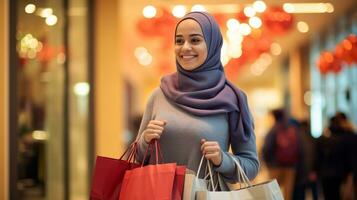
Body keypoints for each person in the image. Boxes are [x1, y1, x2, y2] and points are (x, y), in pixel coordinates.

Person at [135, 11, 259, 184]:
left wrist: (223, 160)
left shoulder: (233, 99)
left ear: (212, 44)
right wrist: (145, 140)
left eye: (195, 40)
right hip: (159, 194)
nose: (185, 47)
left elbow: (251, 166)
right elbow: (138, 158)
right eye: (179, 41)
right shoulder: (159, 95)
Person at [262, 108, 302, 200]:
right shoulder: (292, 128)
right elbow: (300, 147)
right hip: (290, 165)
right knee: (288, 192)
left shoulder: (274, 129)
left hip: (275, 165)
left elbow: (266, 148)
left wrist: (268, 162)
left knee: (274, 192)